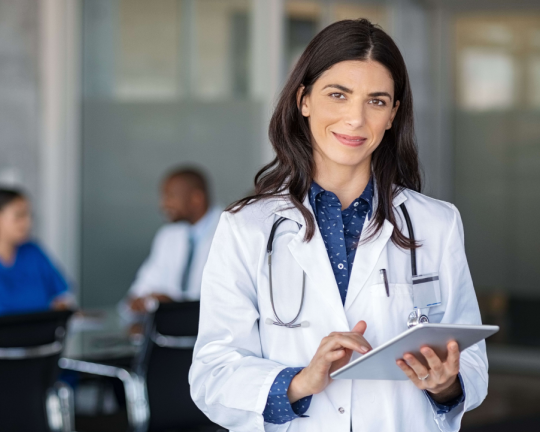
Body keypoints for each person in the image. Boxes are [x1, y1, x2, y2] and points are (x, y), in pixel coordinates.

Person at [189, 19, 487, 432]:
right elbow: (212, 373)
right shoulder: (247, 227)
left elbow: (471, 359)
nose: (356, 119)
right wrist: (298, 382)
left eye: (377, 101)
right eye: (338, 95)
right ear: (304, 100)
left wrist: (446, 384)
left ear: (392, 115)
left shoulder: (436, 224)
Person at [122, 167, 221, 315]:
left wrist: (174, 305)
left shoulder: (230, 232)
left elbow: (224, 300)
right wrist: (141, 300)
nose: (163, 205)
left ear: (196, 198)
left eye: (171, 197)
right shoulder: (168, 236)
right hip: (169, 332)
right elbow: (142, 287)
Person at [0, 188, 72, 315]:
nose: (28, 222)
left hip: (39, 333)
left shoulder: (33, 253)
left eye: (29, 216)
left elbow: (61, 299)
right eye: (19, 216)